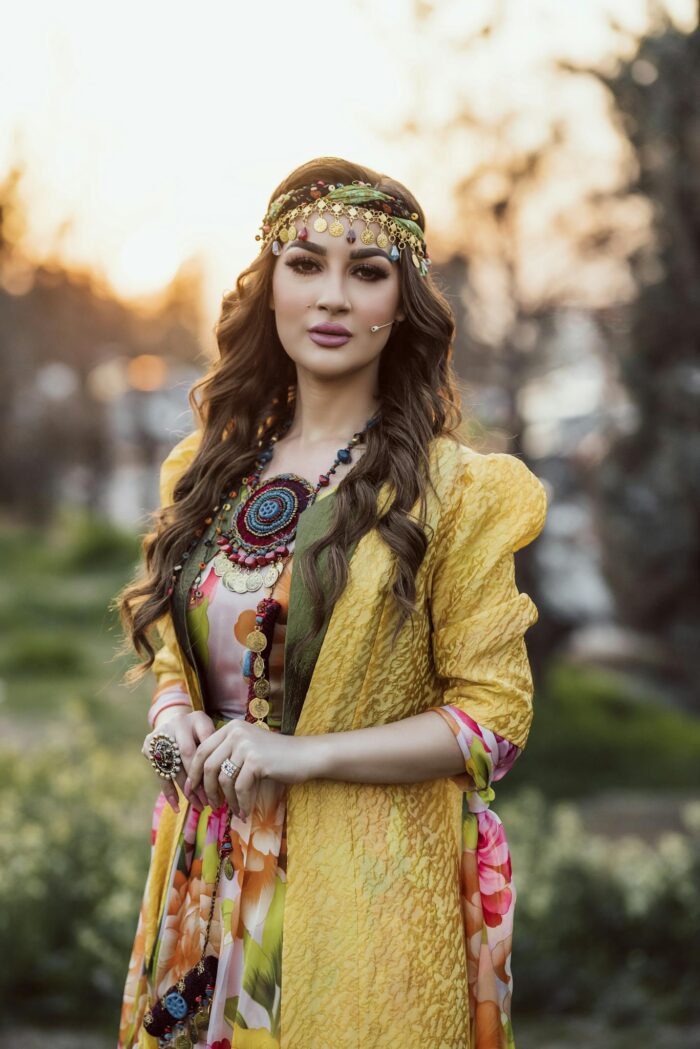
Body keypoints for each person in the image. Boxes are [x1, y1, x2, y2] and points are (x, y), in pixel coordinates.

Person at [114, 156, 548, 1049]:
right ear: (269, 285)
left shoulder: (454, 493)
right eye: (305, 263)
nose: (334, 296)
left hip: (366, 889)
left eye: (368, 270)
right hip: (204, 884)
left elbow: (492, 721)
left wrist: (298, 756)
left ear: (404, 302)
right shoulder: (207, 474)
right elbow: (176, 657)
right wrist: (171, 716)